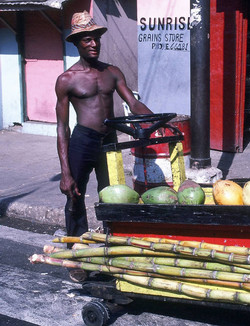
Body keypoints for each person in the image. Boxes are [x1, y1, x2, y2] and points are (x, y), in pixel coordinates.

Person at [55, 11, 153, 280]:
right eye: (87, 40)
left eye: (96, 39)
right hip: (82, 140)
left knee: (113, 193)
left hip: (109, 140)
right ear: (77, 43)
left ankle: (114, 247)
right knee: (74, 195)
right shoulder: (67, 79)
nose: (94, 44)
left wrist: (156, 120)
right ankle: (77, 254)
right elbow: (62, 127)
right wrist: (65, 172)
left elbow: (133, 104)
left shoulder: (112, 72)